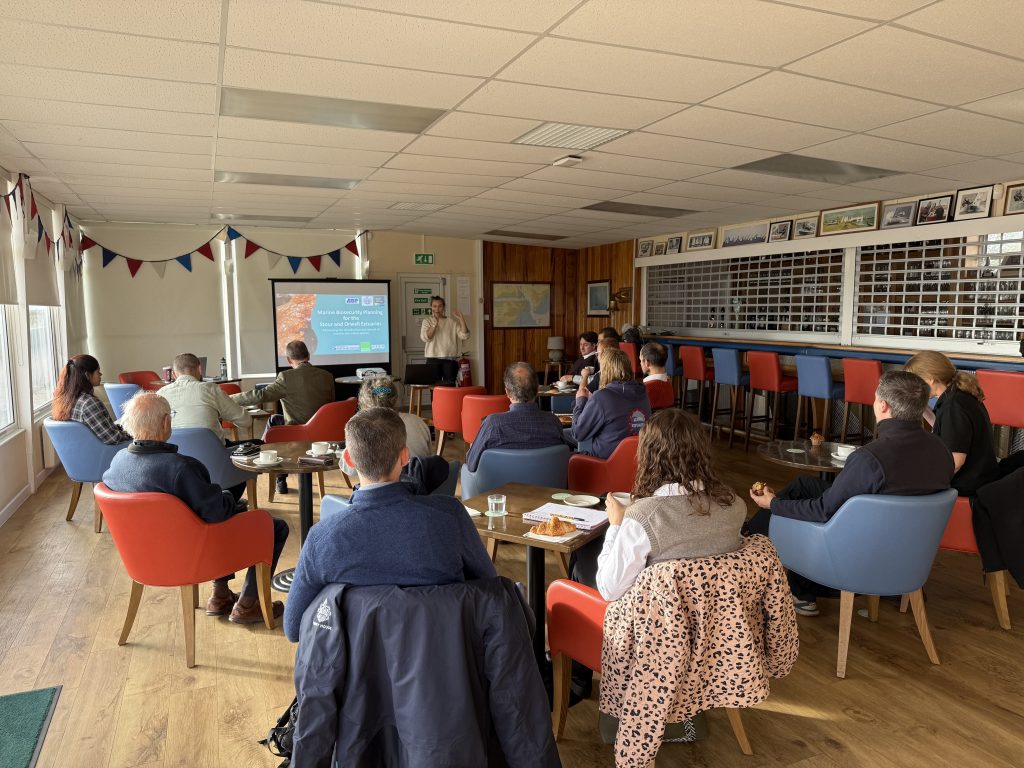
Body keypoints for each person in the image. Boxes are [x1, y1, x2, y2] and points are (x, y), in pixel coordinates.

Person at [747, 370, 953, 616]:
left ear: (883, 406)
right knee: (805, 486)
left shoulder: (870, 459)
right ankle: (749, 533)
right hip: (906, 556)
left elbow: (823, 511)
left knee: (786, 509)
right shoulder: (942, 451)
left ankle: (782, 574)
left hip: (855, 558)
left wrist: (773, 503)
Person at [283, 407, 497, 641]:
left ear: (349, 460)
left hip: (360, 672)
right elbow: (490, 588)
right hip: (444, 664)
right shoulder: (450, 516)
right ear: (405, 457)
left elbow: (293, 629)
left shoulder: (322, 538)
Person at [102, 393, 289, 624]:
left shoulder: (118, 462)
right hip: (192, 554)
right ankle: (249, 604)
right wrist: (230, 498)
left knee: (218, 512)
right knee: (272, 526)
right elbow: (217, 512)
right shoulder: (180, 468)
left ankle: (220, 595)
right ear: (165, 423)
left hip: (144, 556)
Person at [596, 409, 746, 602]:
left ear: (649, 457)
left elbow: (609, 590)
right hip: (720, 622)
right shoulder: (735, 505)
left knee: (582, 563)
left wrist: (616, 525)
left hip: (656, 626)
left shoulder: (643, 519)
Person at [233, 340, 334, 494]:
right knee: (276, 419)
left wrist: (229, 399)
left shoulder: (286, 377)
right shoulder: (327, 376)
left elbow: (260, 395)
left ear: (288, 360)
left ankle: (276, 472)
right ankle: (275, 469)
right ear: (308, 355)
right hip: (322, 434)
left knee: (274, 421)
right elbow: (330, 405)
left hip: (297, 433)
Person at [904, 351, 999, 496]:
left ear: (930, 379)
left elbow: (956, 461)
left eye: (914, 381)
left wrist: (926, 480)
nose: (912, 387)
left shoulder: (953, 406)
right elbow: (946, 428)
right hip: (980, 476)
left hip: (967, 486)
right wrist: (921, 406)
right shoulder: (958, 395)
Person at [465, 362, 574, 472]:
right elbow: (562, 461)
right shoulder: (553, 422)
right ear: (537, 390)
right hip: (547, 487)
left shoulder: (493, 424)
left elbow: (471, 464)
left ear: (507, 392)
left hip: (499, 488)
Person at [571, 347, 651, 460]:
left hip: (604, 464)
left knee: (565, 451)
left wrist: (580, 401)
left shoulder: (602, 397)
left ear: (605, 370)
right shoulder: (643, 393)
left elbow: (578, 434)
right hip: (637, 462)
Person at [160, 353, 249, 443]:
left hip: (175, 454)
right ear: (199, 369)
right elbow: (246, 420)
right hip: (213, 454)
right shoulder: (210, 389)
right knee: (257, 443)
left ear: (174, 374)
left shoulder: (160, 394)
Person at [52, 354, 131, 444]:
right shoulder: (89, 403)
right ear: (87, 375)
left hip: (85, 452)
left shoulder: (64, 401)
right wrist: (135, 434)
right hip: (109, 453)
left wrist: (121, 428)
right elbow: (112, 438)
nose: (101, 374)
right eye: (98, 371)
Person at [357, 375, 432, 459]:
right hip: (419, 471)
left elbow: (348, 469)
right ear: (395, 397)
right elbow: (428, 458)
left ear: (363, 401)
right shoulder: (417, 422)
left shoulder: (359, 429)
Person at [420, 296, 469, 386]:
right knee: (434, 389)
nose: (437, 309)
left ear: (443, 307)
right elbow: (426, 337)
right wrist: (434, 325)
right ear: (431, 307)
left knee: (449, 389)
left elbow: (464, 335)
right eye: (434, 306)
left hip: (450, 360)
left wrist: (461, 318)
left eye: (440, 306)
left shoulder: (451, 322)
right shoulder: (427, 321)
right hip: (433, 359)